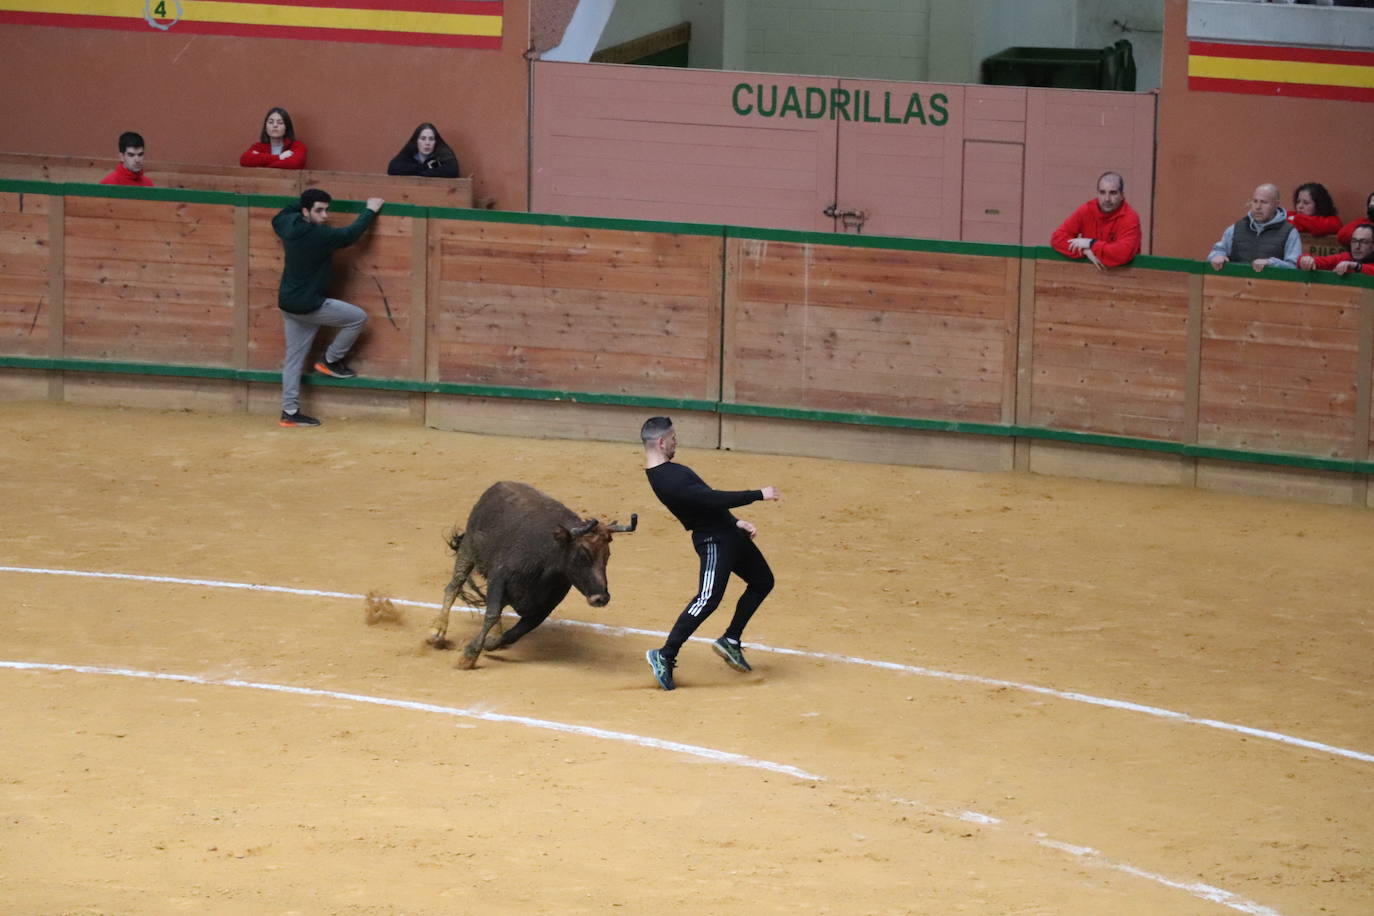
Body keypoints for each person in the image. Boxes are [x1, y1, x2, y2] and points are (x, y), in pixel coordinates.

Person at [640, 416, 779, 691]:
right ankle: (665, 654)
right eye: (673, 439)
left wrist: (735, 522)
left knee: (763, 581)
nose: (676, 442)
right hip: (713, 541)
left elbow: (704, 499)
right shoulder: (667, 480)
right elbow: (712, 499)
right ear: (661, 442)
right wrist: (757, 494)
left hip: (728, 532)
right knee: (707, 598)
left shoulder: (673, 471)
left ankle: (731, 639)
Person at [271, 188, 383, 427]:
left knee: (293, 360)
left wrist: (303, 203)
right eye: (319, 210)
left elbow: (278, 216)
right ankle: (330, 360)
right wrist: (370, 211)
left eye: (326, 210)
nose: (324, 216)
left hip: (289, 303)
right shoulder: (318, 236)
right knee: (357, 318)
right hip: (310, 304)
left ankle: (289, 412)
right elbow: (350, 235)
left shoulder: (286, 224)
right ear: (306, 211)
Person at [1049, 171, 1142, 269]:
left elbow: (1123, 254)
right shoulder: (1087, 210)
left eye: (1113, 193)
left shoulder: (1130, 218)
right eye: (1102, 192)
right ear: (1097, 193)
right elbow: (1057, 238)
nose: (1107, 199)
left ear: (1122, 195)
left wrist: (1091, 243)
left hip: (1125, 277)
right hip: (1089, 276)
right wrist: (1084, 251)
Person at [1207, 183, 1300, 272]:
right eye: (1255, 201)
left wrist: (1271, 263)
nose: (1258, 207)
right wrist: (1217, 256)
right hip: (1236, 285)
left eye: (1264, 202)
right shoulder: (1236, 228)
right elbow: (1217, 251)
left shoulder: (1289, 232)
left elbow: (1293, 266)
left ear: (1276, 204)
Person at [240, 107, 307, 170]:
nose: (275, 125)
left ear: (286, 127)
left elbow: (294, 163)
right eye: (271, 122)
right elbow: (244, 160)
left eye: (280, 123)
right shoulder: (258, 147)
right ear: (265, 127)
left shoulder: (297, 146)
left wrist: (262, 165)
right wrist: (279, 157)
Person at [386, 122, 460, 178]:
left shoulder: (442, 155)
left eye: (431, 139)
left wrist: (422, 172)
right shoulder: (409, 153)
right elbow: (393, 168)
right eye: (423, 138)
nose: (427, 143)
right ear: (416, 141)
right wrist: (425, 167)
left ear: (435, 142)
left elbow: (453, 170)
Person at [1299, 222, 1374, 276]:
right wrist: (1306, 259)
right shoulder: (1345, 258)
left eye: (1363, 242)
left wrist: (1356, 266)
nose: (1357, 246)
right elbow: (1321, 262)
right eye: (1354, 241)